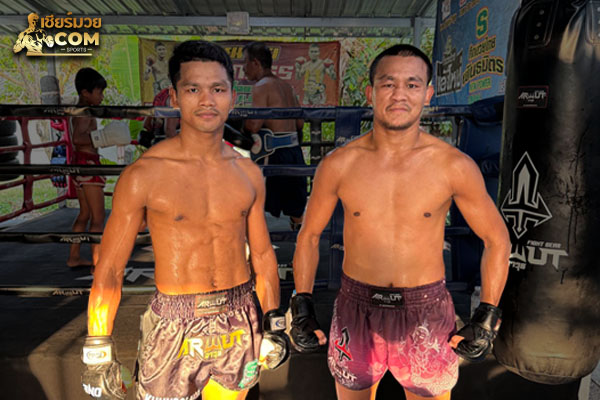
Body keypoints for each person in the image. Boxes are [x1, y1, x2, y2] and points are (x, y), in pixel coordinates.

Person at [289, 44, 511, 400]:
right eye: (388, 84)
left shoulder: (453, 165)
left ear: (428, 94)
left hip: (426, 308)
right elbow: (309, 235)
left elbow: (497, 238)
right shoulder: (339, 164)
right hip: (356, 306)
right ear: (370, 93)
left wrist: (487, 314)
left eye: (412, 84)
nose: (399, 94)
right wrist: (301, 304)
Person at [81, 41, 290, 400]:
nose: (207, 100)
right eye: (194, 89)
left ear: (232, 98)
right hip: (174, 321)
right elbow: (111, 267)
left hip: (238, 315)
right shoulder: (144, 174)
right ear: (175, 98)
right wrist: (97, 345)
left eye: (218, 89)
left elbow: (262, 255)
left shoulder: (248, 173)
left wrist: (273, 319)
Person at [242, 41, 307, 230]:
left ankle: (254, 246)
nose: (244, 68)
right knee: (296, 209)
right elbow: (300, 123)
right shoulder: (287, 86)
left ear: (255, 63)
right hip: (294, 153)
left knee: (254, 205)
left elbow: (254, 126)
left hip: (273, 155)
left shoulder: (262, 86)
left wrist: (240, 123)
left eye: (245, 62)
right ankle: (299, 243)